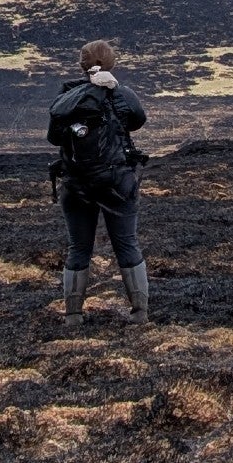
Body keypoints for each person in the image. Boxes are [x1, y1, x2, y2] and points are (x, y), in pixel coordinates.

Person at [48, 40, 151, 322]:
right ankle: (140, 313)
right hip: (117, 182)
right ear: (112, 64)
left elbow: (54, 137)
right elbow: (137, 120)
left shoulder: (66, 96)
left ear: (82, 66)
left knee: (78, 247)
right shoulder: (122, 93)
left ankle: (73, 316)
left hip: (75, 182)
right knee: (127, 243)